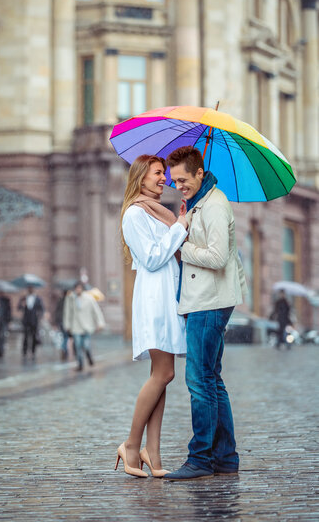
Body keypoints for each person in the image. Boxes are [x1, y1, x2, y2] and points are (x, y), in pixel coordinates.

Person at [164, 146, 247, 481]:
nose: (178, 185)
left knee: (199, 382)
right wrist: (187, 217)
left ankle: (200, 459)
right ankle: (225, 458)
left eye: (183, 179)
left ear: (200, 173)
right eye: (174, 180)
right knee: (212, 380)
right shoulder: (201, 203)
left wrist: (179, 245)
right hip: (207, 299)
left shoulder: (214, 205)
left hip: (209, 302)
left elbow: (217, 257)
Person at [115, 155, 188, 479]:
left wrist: (180, 225)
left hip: (167, 298)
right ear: (141, 176)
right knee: (163, 374)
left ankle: (152, 451)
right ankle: (131, 444)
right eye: (159, 173)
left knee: (164, 374)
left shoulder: (161, 214)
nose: (165, 179)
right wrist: (179, 229)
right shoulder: (134, 214)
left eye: (165, 174)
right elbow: (153, 257)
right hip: (154, 300)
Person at [63, 281, 105, 371]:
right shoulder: (70, 298)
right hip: (76, 326)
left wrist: (100, 323)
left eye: (79, 288)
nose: (78, 290)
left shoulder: (89, 298)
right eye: (76, 288)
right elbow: (67, 313)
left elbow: (96, 311)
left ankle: (89, 356)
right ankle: (80, 364)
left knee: (86, 345)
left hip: (87, 326)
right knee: (77, 346)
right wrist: (67, 325)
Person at [18, 286, 44, 359]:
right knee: (25, 336)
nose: (30, 290)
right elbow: (19, 307)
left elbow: (41, 309)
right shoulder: (23, 298)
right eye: (29, 288)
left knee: (34, 336)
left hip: (34, 320)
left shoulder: (38, 299)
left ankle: (33, 351)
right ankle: (24, 351)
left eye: (32, 288)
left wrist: (39, 315)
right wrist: (22, 305)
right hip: (26, 320)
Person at [53, 289, 70, 361]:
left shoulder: (60, 301)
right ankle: (64, 349)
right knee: (66, 337)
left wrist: (56, 322)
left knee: (63, 336)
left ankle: (64, 349)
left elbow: (56, 312)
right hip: (66, 322)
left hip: (61, 321)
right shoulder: (69, 302)